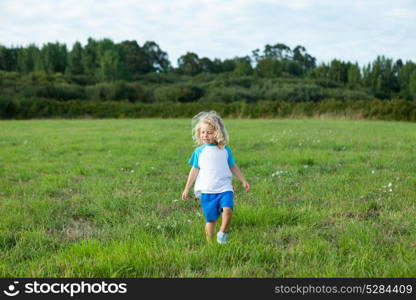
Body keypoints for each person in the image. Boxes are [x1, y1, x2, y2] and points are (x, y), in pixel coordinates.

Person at [181, 111, 250, 244]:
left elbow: (233, 166)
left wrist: (243, 180)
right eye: (202, 132)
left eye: (209, 132)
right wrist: (186, 188)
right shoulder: (199, 152)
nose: (205, 135)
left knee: (228, 209)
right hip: (208, 190)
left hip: (225, 188)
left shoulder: (224, 150)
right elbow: (194, 170)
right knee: (211, 220)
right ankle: (211, 244)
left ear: (217, 132)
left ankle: (223, 233)